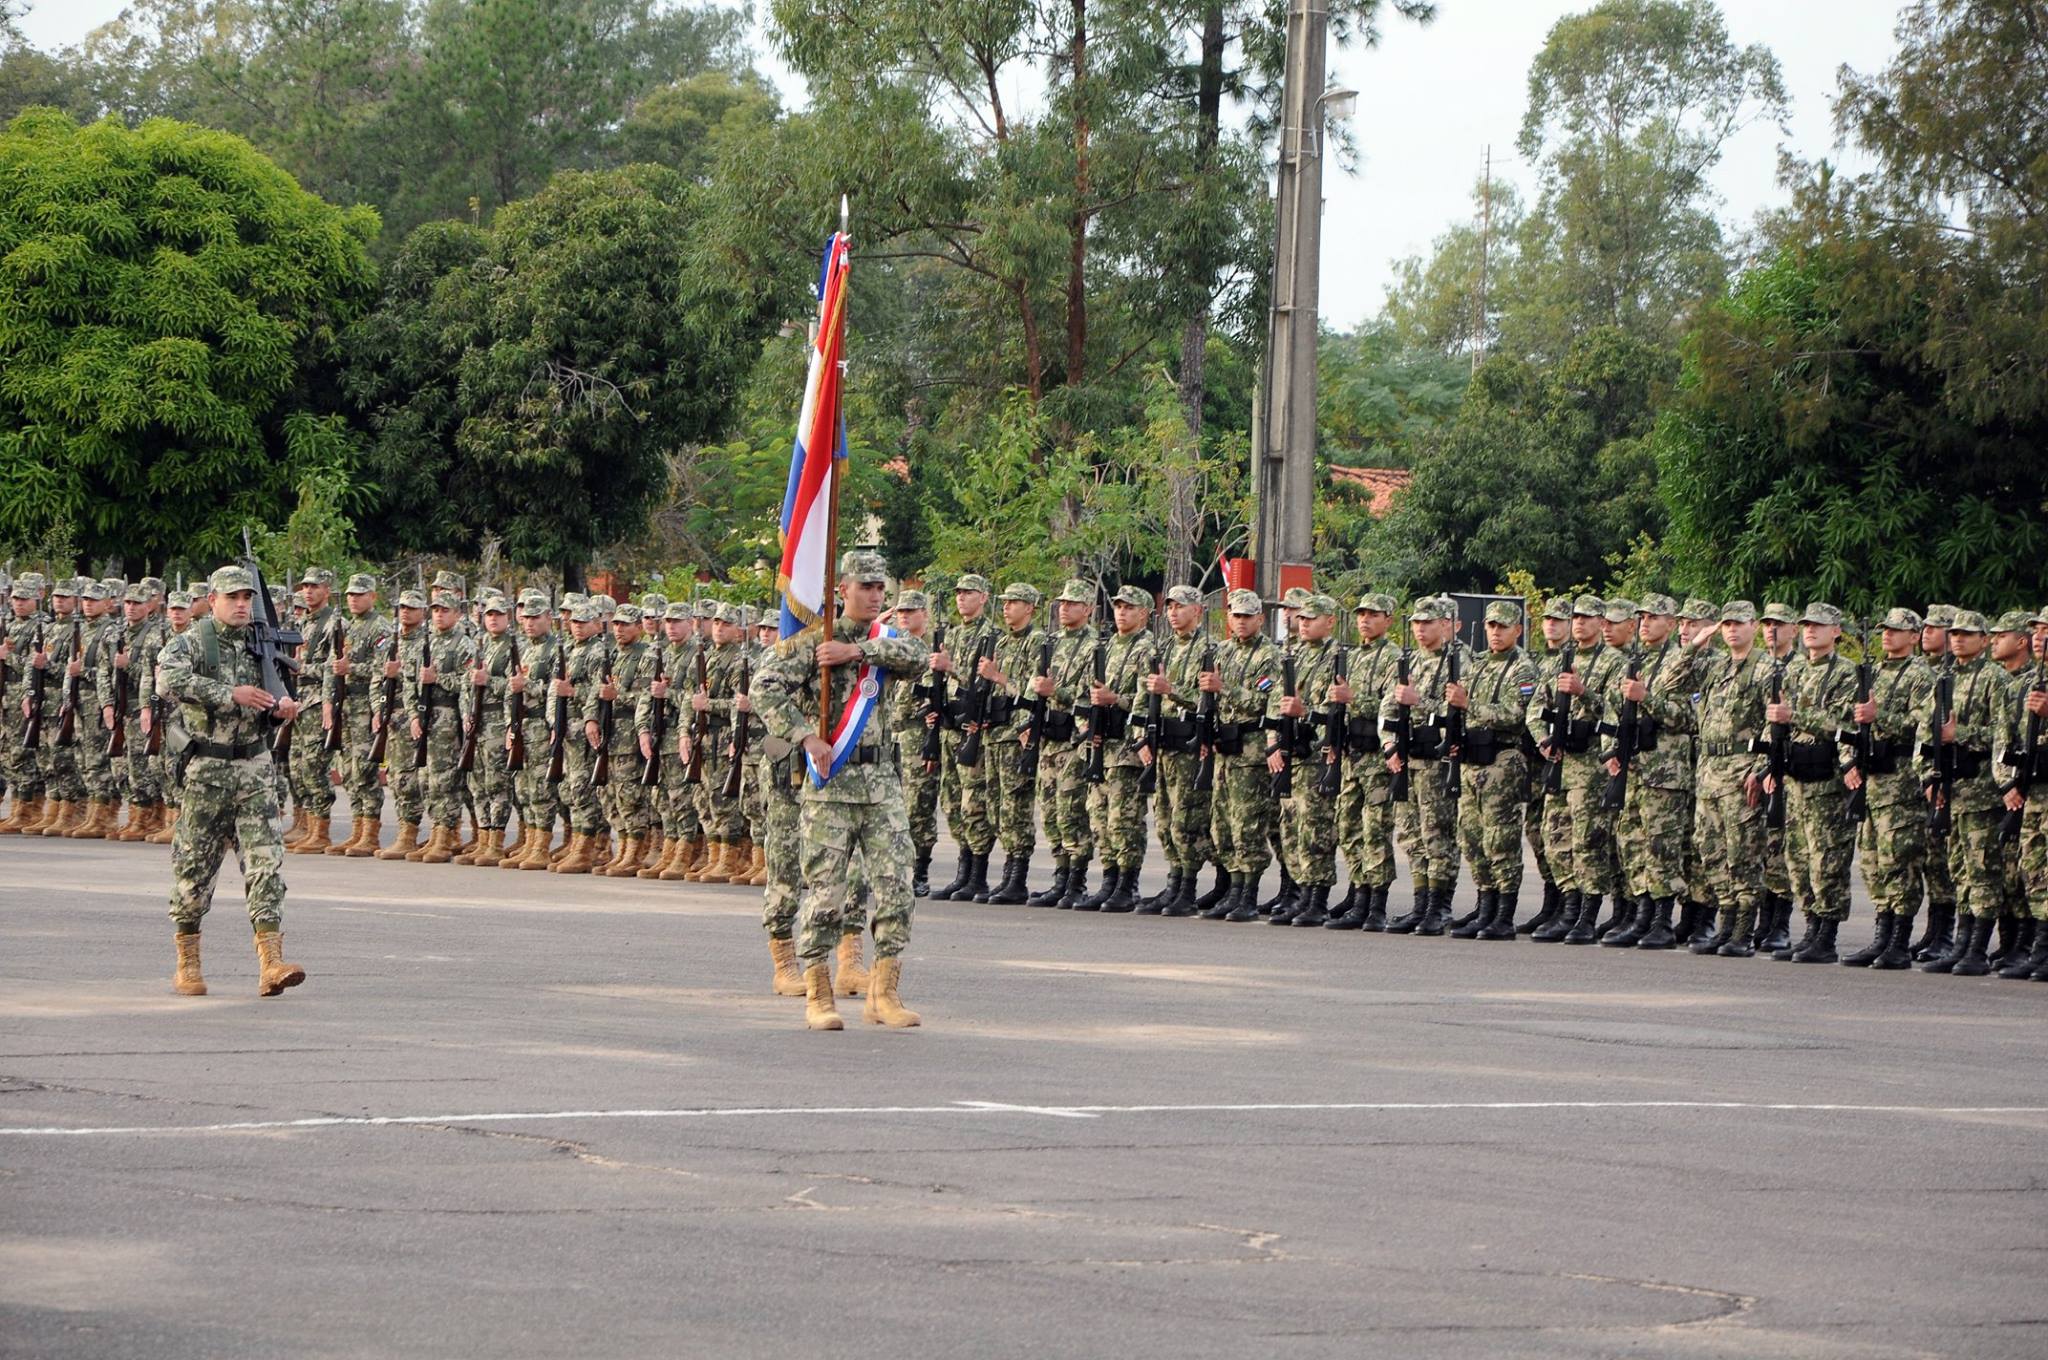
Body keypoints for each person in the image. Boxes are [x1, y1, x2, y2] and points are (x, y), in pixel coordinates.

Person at [754, 551, 931, 1031]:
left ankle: (884, 993)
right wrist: (805, 735)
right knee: (826, 895)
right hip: (830, 787)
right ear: (842, 591)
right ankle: (819, 992)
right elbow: (764, 686)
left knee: (897, 888)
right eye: (865, 587)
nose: (875, 596)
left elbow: (918, 657)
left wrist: (856, 653)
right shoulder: (811, 645)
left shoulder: (885, 642)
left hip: (881, 787)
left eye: (880, 588)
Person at [156, 564, 306, 997]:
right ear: (213, 601)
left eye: (247, 598)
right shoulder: (192, 642)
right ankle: (188, 962)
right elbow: (167, 681)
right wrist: (229, 693)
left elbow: (279, 692)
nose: (242, 605)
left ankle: (271, 963)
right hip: (207, 771)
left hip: (256, 770)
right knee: (193, 870)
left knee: (266, 865)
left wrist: (282, 706)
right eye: (233, 598)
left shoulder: (264, 644)